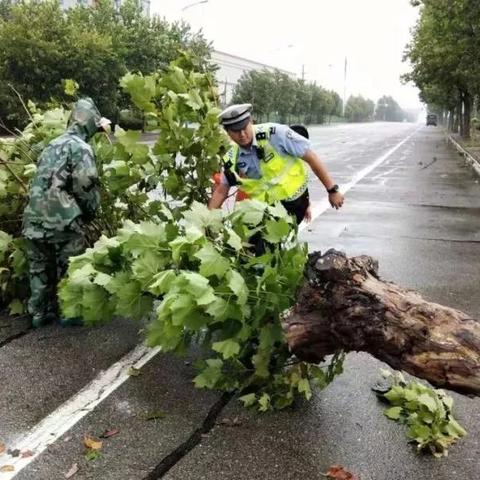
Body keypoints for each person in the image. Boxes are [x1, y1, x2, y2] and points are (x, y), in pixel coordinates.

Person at [22, 97, 109, 328]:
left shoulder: (52, 145)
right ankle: (69, 312)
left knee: (39, 267)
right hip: (63, 220)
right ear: (90, 123)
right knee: (71, 267)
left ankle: (39, 313)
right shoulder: (81, 148)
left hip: (33, 218)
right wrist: (90, 213)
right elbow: (86, 183)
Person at [208, 103, 344, 225]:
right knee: (253, 243)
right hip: (266, 208)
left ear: (251, 121)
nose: (242, 134)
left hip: (295, 202)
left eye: (244, 128)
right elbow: (221, 190)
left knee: (267, 244)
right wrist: (206, 220)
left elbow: (311, 157)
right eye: (236, 131)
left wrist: (332, 190)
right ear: (228, 132)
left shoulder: (275, 134)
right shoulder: (232, 157)